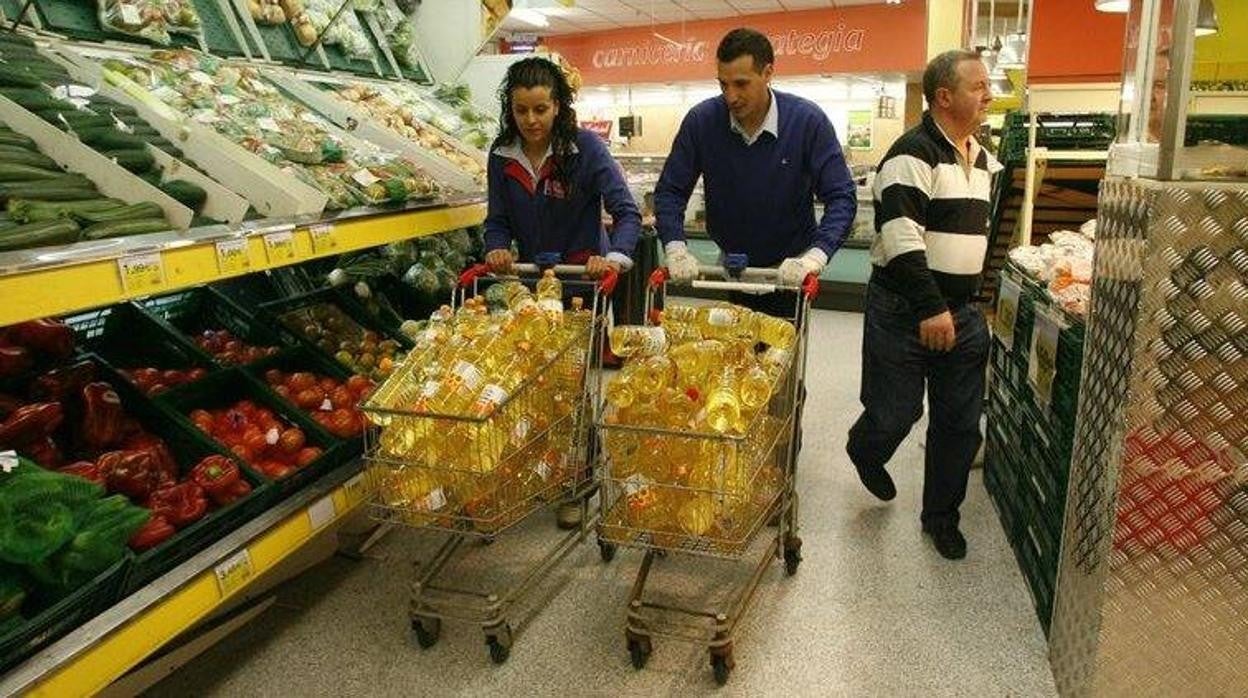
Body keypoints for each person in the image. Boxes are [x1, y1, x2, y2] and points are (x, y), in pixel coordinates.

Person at [845, 49, 1001, 561]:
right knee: (896, 412)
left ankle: (941, 517)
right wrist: (932, 307)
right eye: (978, 86)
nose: (989, 94)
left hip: (963, 311)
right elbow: (901, 238)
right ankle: (865, 448)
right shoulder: (911, 154)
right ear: (944, 96)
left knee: (959, 424)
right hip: (906, 308)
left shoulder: (981, 156)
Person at [483, 56, 642, 529]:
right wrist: (495, 249)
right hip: (533, 286)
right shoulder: (501, 155)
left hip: (581, 283)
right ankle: (547, 466)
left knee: (569, 385)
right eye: (521, 111)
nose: (530, 121)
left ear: (559, 107)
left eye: (540, 110)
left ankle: (576, 478)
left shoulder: (585, 150)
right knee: (535, 384)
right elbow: (497, 221)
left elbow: (627, 213)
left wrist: (611, 259)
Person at [653, 27, 856, 317]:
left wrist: (815, 257)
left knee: (779, 358)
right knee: (734, 358)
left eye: (741, 84)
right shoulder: (702, 122)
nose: (730, 96)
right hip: (730, 270)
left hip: (791, 274)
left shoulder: (808, 122)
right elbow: (671, 190)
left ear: (768, 73)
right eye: (723, 85)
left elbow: (841, 197)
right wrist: (675, 246)